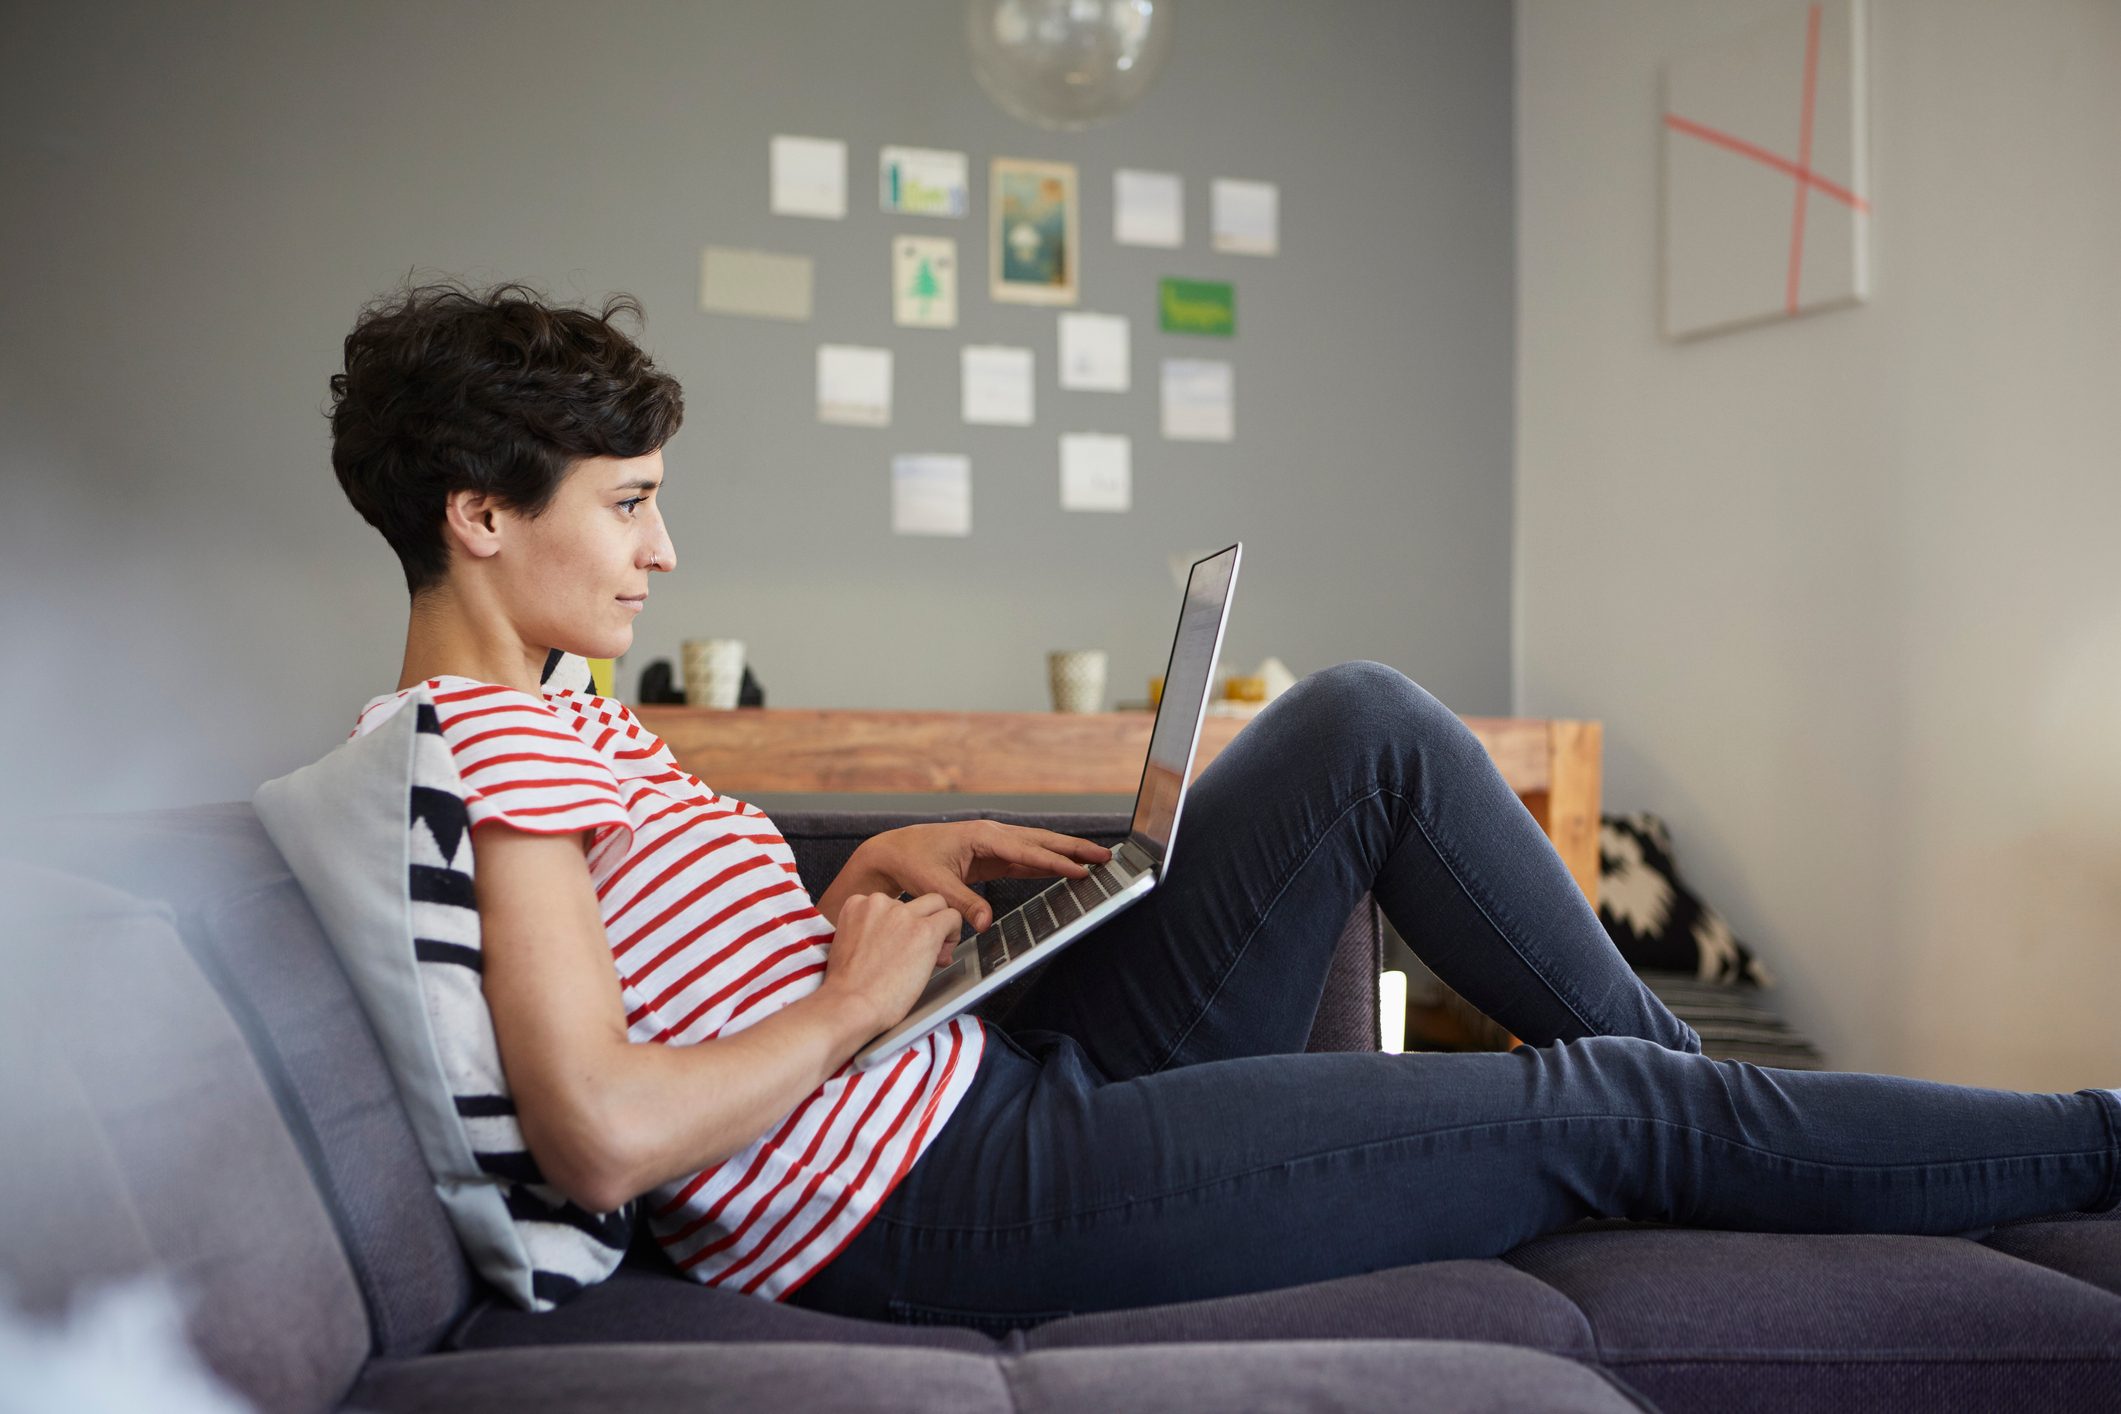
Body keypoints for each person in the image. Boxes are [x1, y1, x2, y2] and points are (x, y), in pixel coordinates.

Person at [327, 280, 2120, 1330]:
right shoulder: (492, 750)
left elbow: (662, 953)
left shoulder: (548, 715)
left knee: (1361, 723)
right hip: (938, 1194)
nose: (661, 546)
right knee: (1590, 1101)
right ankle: (2060, 1134)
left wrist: (870, 869)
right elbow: (605, 1135)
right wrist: (852, 997)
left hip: (982, 1074)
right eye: (626, 503)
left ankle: (1705, 1122)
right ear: (482, 514)